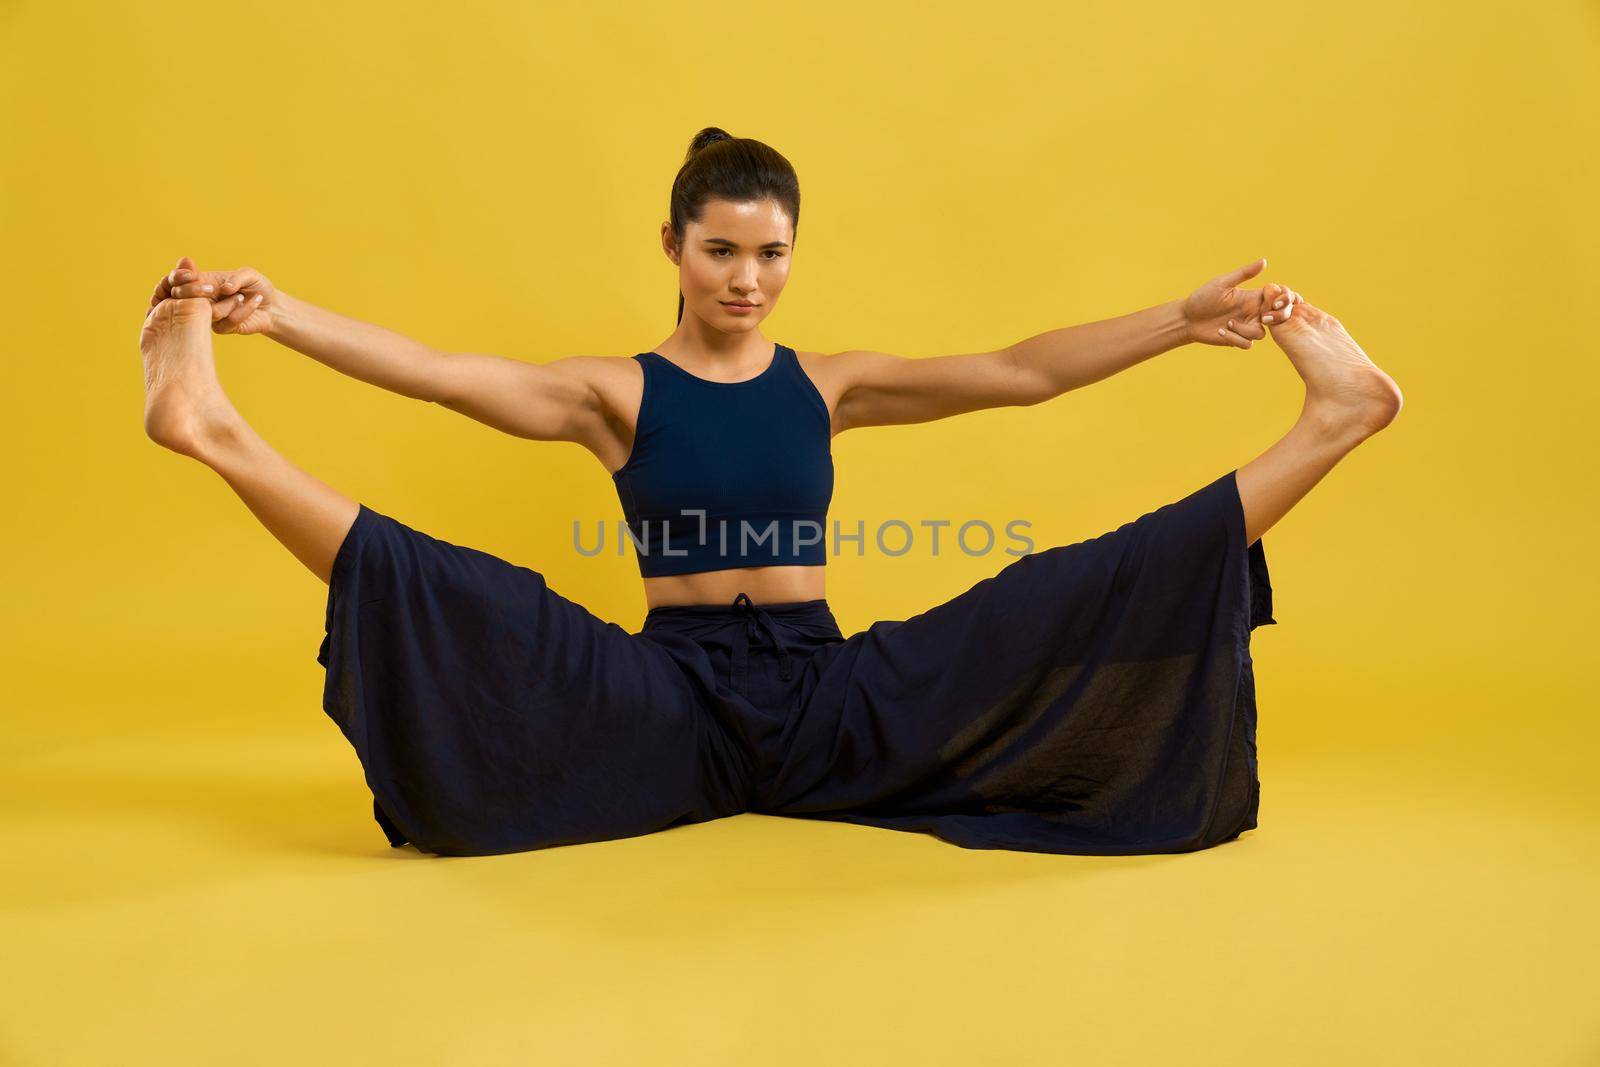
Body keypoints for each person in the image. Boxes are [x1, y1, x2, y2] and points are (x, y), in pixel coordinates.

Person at [138, 127, 1402, 858]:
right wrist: (280, 312)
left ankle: (1332, 423)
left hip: (830, 696)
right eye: (722, 250)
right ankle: (211, 428)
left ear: (795, 252)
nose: (747, 278)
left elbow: (1019, 372)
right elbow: (438, 374)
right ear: (676, 249)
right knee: (468, 596)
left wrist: (1179, 321)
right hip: (663, 700)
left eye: (772, 253)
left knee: (1054, 593)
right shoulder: (612, 394)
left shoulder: (831, 383)